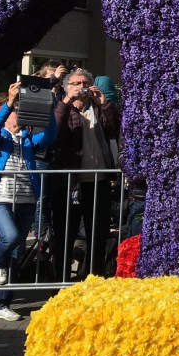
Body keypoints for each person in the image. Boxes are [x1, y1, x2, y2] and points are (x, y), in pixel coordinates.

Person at [0, 81, 57, 320]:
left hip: (26, 199)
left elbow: (50, 136)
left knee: (15, 251)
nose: (19, 113)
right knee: (10, 237)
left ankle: (1, 305)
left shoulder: (28, 140)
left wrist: (49, 107)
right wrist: (8, 104)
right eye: (16, 110)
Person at [51, 68, 119, 280]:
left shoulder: (97, 108)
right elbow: (53, 134)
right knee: (65, 236)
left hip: (98, 182)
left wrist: (104, 104)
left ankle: (93, 281)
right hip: (69, 184)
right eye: (76, 83)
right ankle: (60, 284)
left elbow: (116, 129)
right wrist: (66, 102)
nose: (81, 87)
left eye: (85, 83)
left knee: (97, 236)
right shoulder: (60, 107)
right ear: (66, 87)